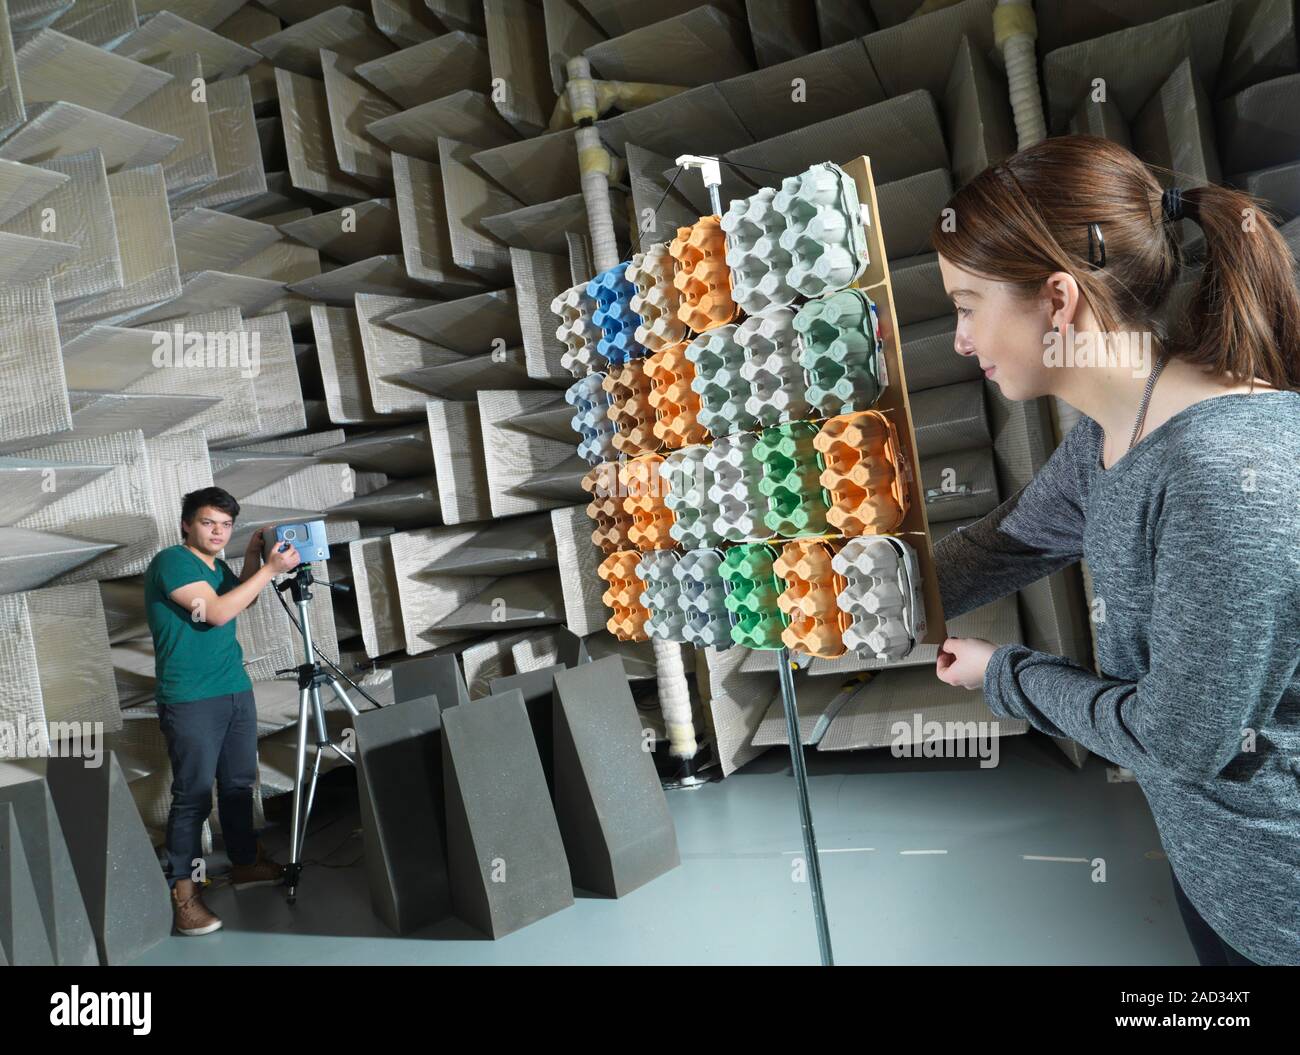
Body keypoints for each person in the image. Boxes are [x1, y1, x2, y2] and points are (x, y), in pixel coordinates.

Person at [928, 135, 1299, 966]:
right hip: (1215, 876)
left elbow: (1181, 743)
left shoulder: (1221, 475)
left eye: (966, 304)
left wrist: (1004, 676)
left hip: (1280, 908)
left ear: (1057, 301)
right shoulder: (1115, 434)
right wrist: (855, 593)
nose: (958, 339)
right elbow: (1000, 548)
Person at [143, 486, 301, 936]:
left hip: (234, 689)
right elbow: (213, 612)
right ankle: (185, 894)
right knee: (192, 796)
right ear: (186, 525)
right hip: (190, 697)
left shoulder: (216, 564)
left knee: (236, 784)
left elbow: (239, 602)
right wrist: (270, 569)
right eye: (209, 522)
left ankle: (246, 862)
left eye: (227, 525)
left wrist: (253, 562)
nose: (218, 532)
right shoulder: (173, 561)